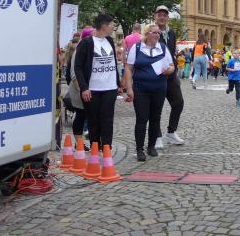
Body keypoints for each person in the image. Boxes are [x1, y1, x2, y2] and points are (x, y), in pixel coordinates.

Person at [123, 24, 175, 161]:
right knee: (141, 119)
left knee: (155, 118)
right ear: (147, 34)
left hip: (159, 89)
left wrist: (168, 71)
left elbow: (172, 66)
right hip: (141, 89)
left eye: (158, 33)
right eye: (155, 33)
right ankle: (139, 149)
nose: (158, 35)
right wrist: (129, 88)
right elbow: (129, 68)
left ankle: (151, 146)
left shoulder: (162, 47)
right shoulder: (137, 48)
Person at [73, 14, 121, 149]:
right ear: (104, 26)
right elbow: (78, 67)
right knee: (94, 120)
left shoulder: (109, 40)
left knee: (107, 119)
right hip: (93, 88)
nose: (112, 28)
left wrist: (117, 83)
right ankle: (95, 146)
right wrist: (84, 87)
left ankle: (106, 147)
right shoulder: (86, 43)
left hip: (110, 87)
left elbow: (113, 63)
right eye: (111, 25)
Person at [153, 6, 185, 147]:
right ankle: (157, 136)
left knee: (178, 103)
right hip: (156, 75)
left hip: (171, 74)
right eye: (159, 14)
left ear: (167, 18)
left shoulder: (171, 33)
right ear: (155, 16)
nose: (162, 17)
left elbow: (172, 53)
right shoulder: (152, 32)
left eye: (164, 15)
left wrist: (174, 69)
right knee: (156, 107)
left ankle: (171, 132)